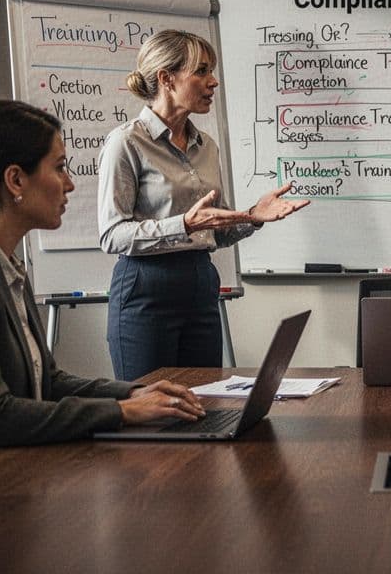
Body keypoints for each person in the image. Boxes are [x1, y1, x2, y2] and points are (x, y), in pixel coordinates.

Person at [0, 100, 205, 484]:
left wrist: (134, 392)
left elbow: (47, 382)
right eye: (60, 167)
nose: (69, 183)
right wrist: (122, 412)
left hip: (3, 476)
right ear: (15, 180)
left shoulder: (1, 262)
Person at [99, 29, 308, 380]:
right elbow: (111, 236)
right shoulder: (126, 142)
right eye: (202, 71)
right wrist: (183, 225)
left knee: (204, 406)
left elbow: (215, 231)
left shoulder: (205, 144)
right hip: (145, 289)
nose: (213, 82)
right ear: (167, 78)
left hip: (200, 284)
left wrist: (251, 217)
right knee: (152, 416)